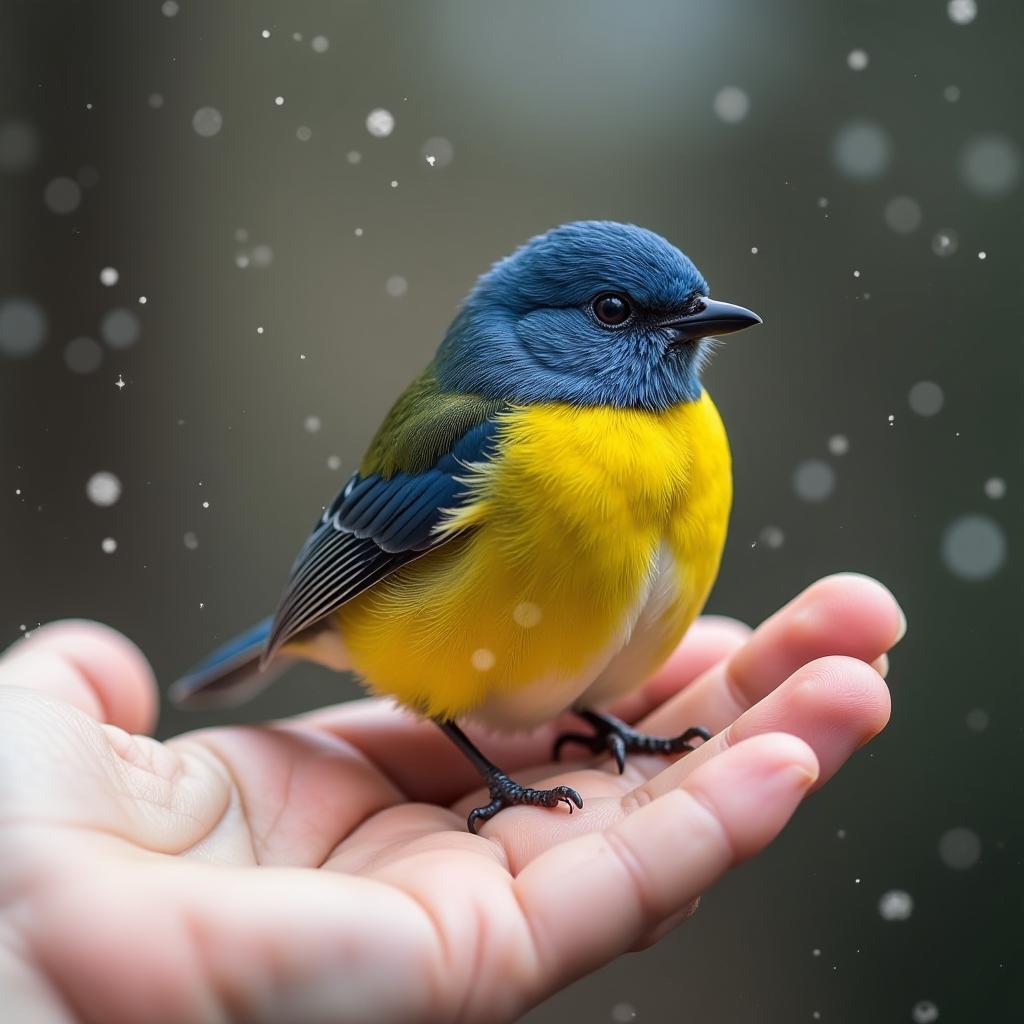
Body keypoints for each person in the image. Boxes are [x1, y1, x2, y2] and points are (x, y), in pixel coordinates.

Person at [0, 573, 901, 1023]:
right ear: (542, 334)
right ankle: (507, 768)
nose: (688, 327)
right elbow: (368, 549)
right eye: (619, 315)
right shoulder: (495, 432)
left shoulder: (695, 447)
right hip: (387, 617)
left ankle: (605, 725)